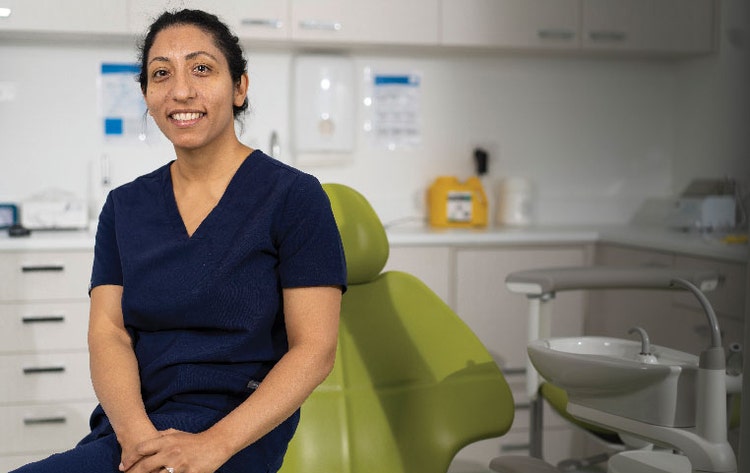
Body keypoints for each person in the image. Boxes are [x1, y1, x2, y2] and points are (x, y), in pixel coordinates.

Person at [11, 9, 346, 473]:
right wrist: (137, 438)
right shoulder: (124, 206)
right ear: (147, 95)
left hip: (234, 433)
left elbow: (315, 350)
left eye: (202, 68)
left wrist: (213, 445)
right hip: (134, 426)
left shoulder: (293, 197)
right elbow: (108, 333)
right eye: (161, 73)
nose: (181, 90)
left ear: (240, 88)